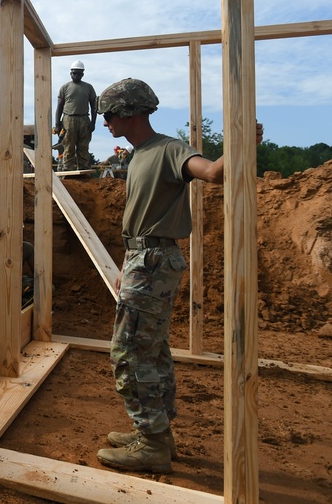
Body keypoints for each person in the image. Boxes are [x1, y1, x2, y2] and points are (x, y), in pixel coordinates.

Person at [93, 78, 263, 474]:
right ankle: (158, 432)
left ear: (131, 111)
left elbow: (213, 173)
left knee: (128, 351)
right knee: (152, 348)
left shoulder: (168, 149)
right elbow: (139, 220)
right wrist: (125, 266)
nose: (105, 122)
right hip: (142, 259)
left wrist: (241, 142)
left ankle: (150, 441)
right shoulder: (137, 156)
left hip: (153, 261)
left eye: (110, 113)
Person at [55, 60, 98, 170]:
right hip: (68, 119)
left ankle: (84, 170)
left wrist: (93, 122)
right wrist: (57, 124)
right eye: (74, 73)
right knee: (68, 145)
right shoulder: (65, 87)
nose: (76, 75)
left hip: (84, 119)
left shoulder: (89, 87)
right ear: (71, 73)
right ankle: (68, 170)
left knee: (83, 146)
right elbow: (59, 106)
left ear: (82, 74)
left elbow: (94, 106)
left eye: (79, 73)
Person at [0, 239, 35, 309]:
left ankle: (22, 305)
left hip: (17, 281)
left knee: (45, 287)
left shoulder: (27, 247)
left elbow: (36, 273)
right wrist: (6, 282)